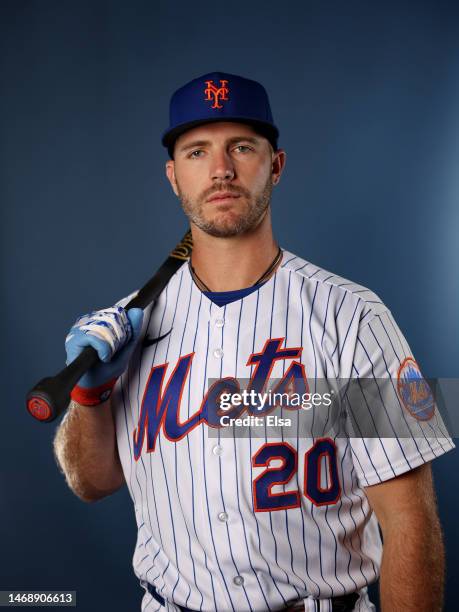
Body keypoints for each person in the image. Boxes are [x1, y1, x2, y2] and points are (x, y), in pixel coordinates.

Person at [54, 71, 454, 612]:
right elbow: (91, 482)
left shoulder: (354, 316)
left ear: (277, 165)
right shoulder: (128, 325)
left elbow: (408, 520)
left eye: (241, 147)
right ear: (174, 176)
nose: (221, 170)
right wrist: (90, 397)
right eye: (197, 152)